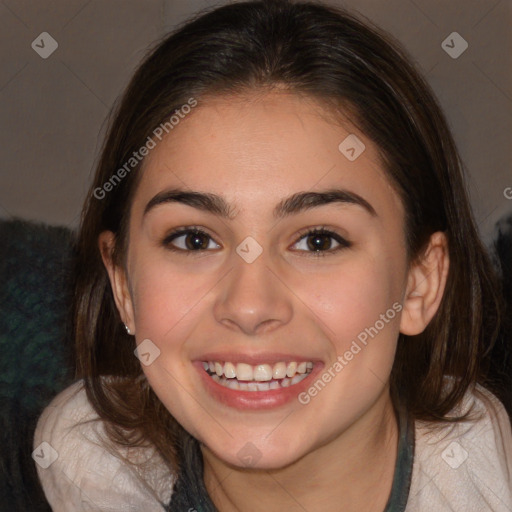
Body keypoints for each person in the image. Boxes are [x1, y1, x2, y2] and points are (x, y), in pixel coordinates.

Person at [33, 1, 512, 510]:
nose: (249, 306)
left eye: (319, 240)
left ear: (420, 283)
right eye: (194, 239)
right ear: (123, 285)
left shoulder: (485, 476)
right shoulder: (83, 458)